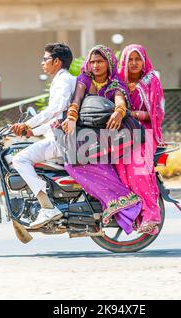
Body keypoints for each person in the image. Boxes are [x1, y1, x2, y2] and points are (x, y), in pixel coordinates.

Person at [60, 45, 142, 235]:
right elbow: (77, 99)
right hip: (85, 131)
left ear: (108, 63)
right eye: (93, 61)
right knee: (71, 163)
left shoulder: (115, 82)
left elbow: (120, 99)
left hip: (110, 133)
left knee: (75, 163)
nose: (95, 65)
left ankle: (124, 203)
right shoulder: (85, 79)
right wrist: (71, 117)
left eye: (100, 62)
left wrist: (119, 112)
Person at [11, 42, 76, 229]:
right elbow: (57, 117)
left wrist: (27, 124)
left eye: (45, 59)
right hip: (60, 136)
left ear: (57, 61)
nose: (42, 63)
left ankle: (47, 206)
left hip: (61, 141)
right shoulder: (62, 80)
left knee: (20, 160)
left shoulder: (63, 80)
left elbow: (55, 109)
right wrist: (33, 131)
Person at [115, 44, 166, 235]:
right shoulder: (118, 81)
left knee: (138, 170)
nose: (134, 63)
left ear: (144, 61)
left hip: (144, 133)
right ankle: (134, 216)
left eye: (138, 59)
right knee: (119, 170)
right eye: (130, 59)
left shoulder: (151, 81)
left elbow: (157, 113)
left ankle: (151, 215)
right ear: (124, 62)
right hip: (122, 134)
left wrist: (133, 114)